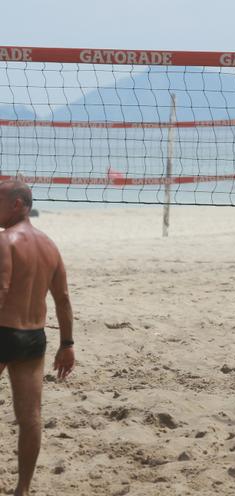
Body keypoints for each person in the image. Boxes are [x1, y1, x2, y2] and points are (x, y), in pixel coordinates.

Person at [0, 180, 74, 496]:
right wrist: (67, 344)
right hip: (34, 337)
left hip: (3, 331)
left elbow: (1, 292)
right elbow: (63, 299)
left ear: (17, 204)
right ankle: (23, 489)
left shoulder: (6, 241)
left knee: (30, 417)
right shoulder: (50, 246)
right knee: (30, 417)